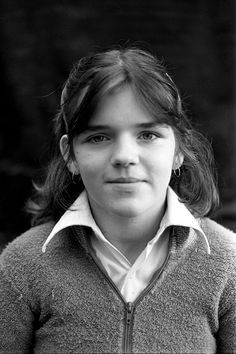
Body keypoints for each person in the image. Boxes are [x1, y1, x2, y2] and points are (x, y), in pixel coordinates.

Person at [0, 46, 236, 354]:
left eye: (147, 135)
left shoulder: (227, 264)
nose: (125, 156)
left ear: (178, 150)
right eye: (99, 137)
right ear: (70, 154)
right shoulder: (22, 266)